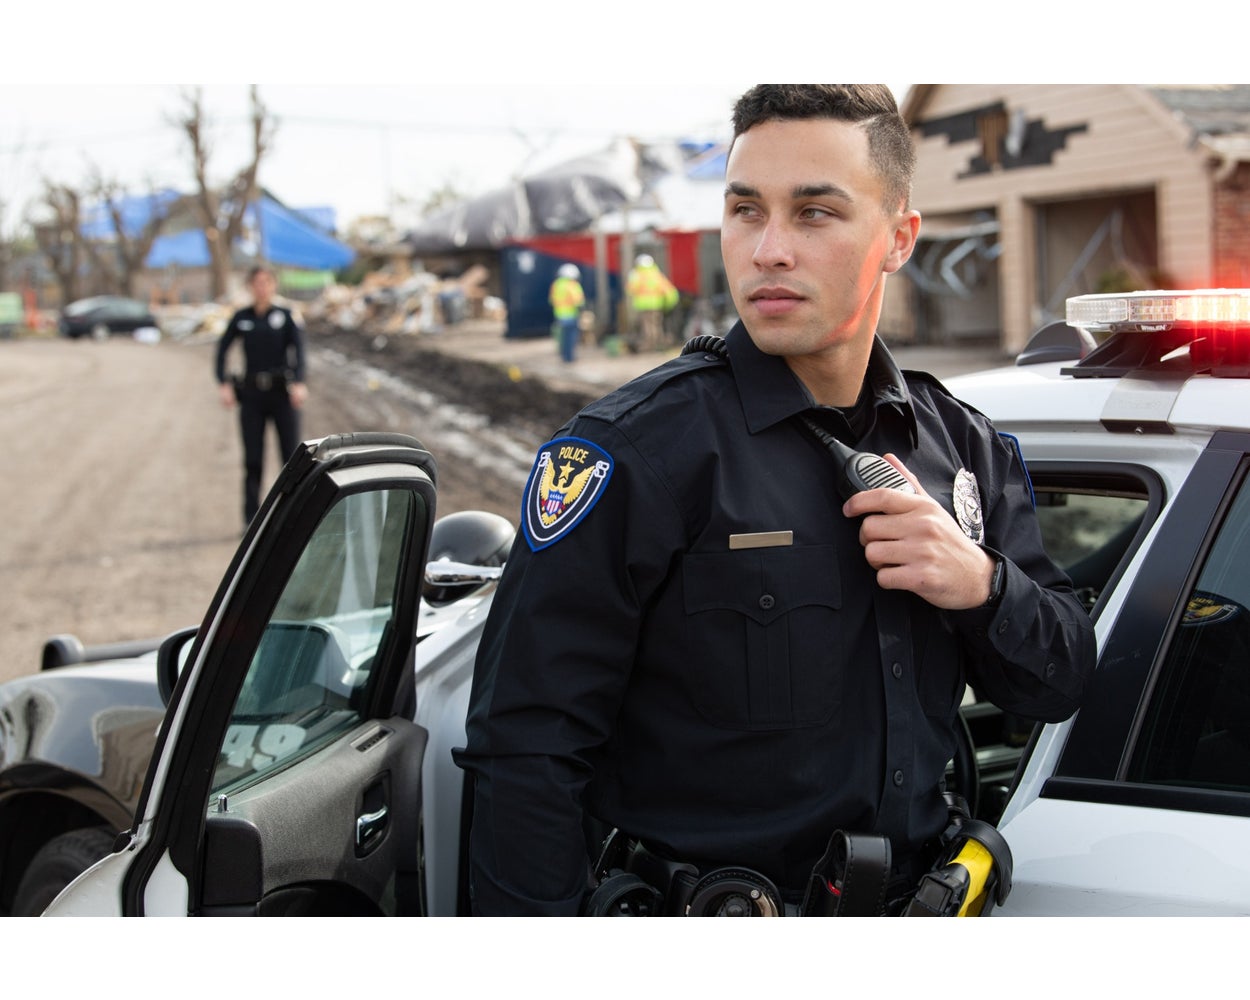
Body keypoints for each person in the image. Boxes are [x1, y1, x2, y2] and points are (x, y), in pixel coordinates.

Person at [454, 85, 1096, 916]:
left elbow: (1060, 681)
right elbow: (524, 750)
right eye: (746, 210)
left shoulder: (961, 446)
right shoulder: (635, 452)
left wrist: (979, 584)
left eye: (815, 213)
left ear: (899, 236)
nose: (768, 250)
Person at [215, 264, 308, 526]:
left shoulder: (287, 315)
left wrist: (300, 382)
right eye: (257, 283)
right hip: (252, 396)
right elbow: (222, 350)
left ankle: (293, 518)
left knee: (291, 458)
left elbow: (299, 352)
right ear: (250, 287)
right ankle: (251, 520)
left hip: (281, 395)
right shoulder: (242, 317)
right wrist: (223, 384)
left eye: (266, 282)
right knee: (253, 460)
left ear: (273, 285)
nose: (262, 287)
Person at [624, 253, 678, 352]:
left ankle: (650, 345)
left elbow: (630, 289)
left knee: (647, 326)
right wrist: (669, 304)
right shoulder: (656, 274)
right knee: (656, 325)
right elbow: (668, 290)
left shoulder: (636, 274)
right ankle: (658, 344)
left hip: (643, 305)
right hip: (656, 305)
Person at [548, 263, 586, 363]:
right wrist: (582, 309)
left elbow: (552, 300)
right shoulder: (572, 284)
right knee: (571, 337)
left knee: (563, 337)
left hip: (560, 315)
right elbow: (577, 300)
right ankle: (570, 358)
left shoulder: (556, 284)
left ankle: (565, 357)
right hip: (571, 315)